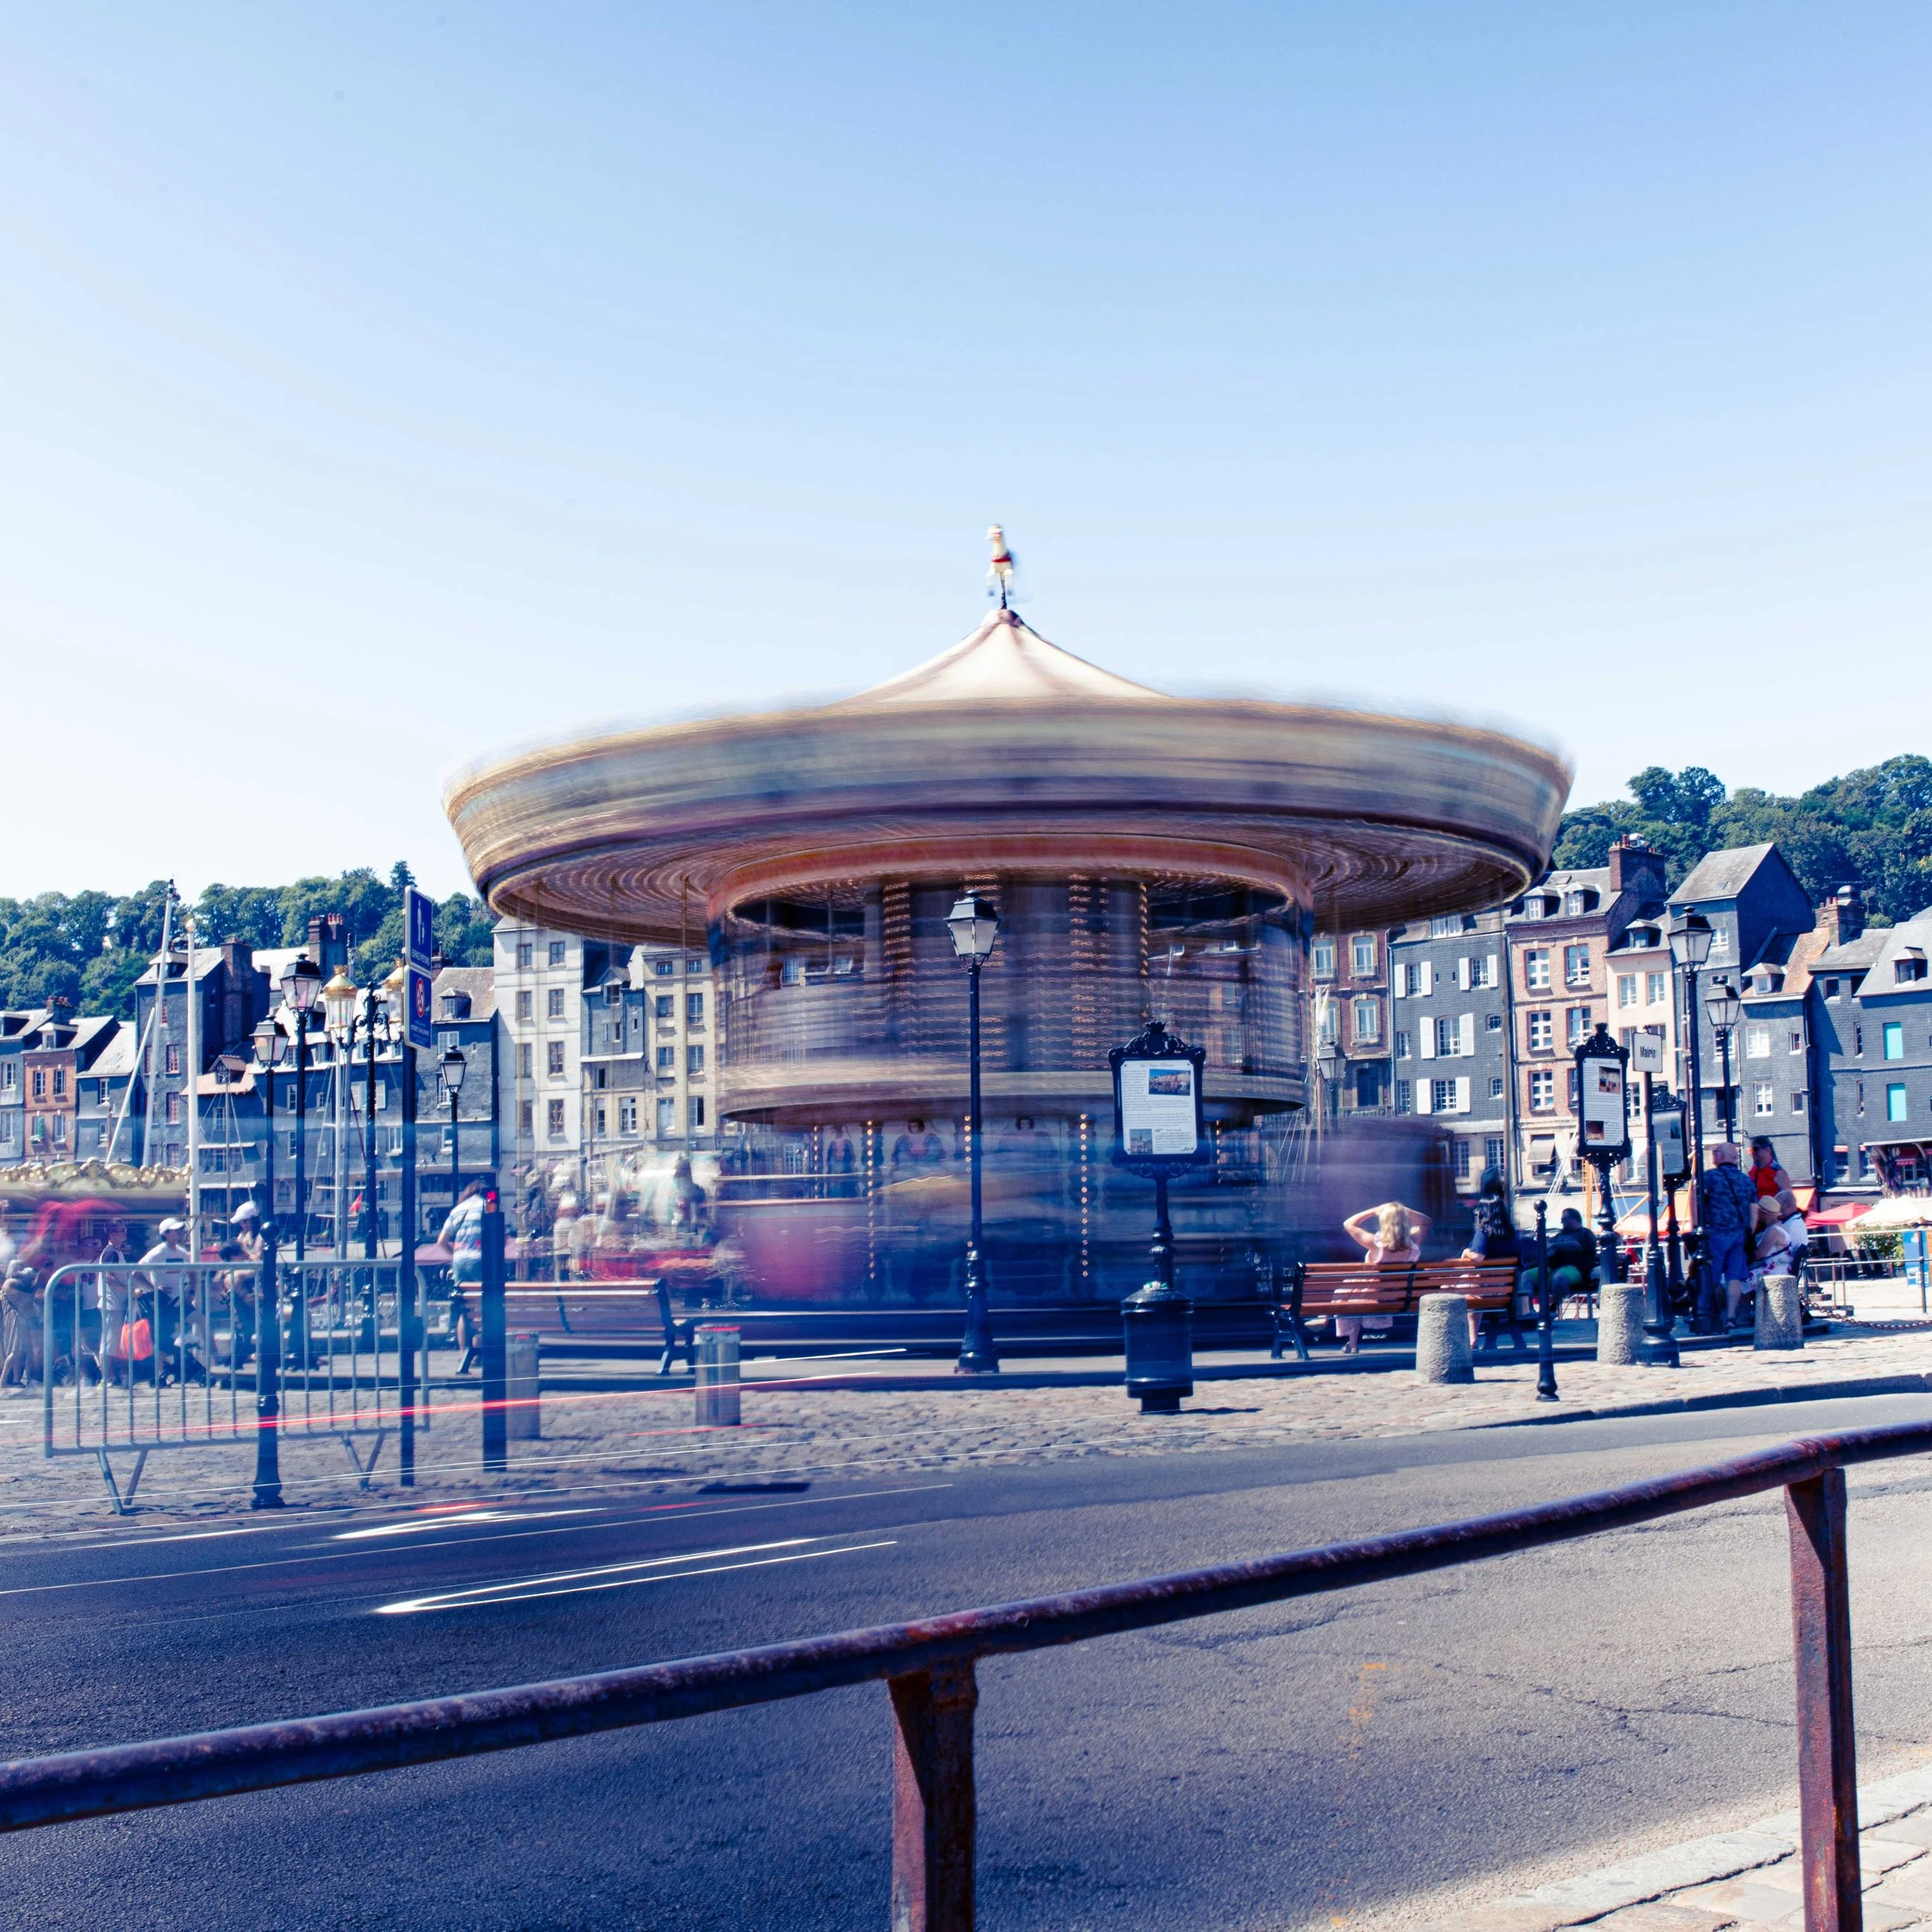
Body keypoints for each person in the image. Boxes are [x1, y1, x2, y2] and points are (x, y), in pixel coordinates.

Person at [1338, 1201, 1431, 1355]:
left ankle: (1351, 1342)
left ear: (1384, 1222)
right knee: (1357, 1291)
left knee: (1353, 1293)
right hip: (1400, 1297)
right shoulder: (1413, 1241)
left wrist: (1373, 1210)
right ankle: (1349, 1342)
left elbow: (1349, 1224)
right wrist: (1406, 1211)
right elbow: (1427, 1222)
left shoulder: (1376, 1244)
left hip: (1375, 1296)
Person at [1461, 1168, 1524, 1351]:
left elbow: (1478, 1257)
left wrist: (1466, 1252)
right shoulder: (1511, 1233)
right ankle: (1486, 1341)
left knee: (1452, 1289)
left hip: (1488, 1290)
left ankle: (1471, 1339)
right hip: (1506, 1289)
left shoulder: (1484, 1230)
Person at [1697, 1143, 1760, 1329]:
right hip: (1739, 1234)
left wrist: (1696, 1225)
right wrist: (1750, 1231)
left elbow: (1696, 1198)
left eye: (1715, 1153)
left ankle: (1710, 1313)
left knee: (1712, 1276)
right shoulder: (1746, 1180)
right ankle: (1731, 1317)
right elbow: (1754, 1210)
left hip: (1715, 1233)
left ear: (1721, 1156)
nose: (1713, 1156)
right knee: (1734, 1277)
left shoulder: (1710, 1177)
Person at [440, 1181, 488, 1373]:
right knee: (483, 1307)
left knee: (465, 1309)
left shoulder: (458, 1210)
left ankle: (463, 1353)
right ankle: (477, 1353)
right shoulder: (487, 1206)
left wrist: (455, 1255)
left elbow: (442, 1241)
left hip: (460, 1261)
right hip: (480, 1259)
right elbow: (500, 1239)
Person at [1544, 1209, 1598, 1315]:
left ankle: (1554, 1305)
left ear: (1573, 1218)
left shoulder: (1585, 1233)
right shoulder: (1560, 1235)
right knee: (1526, 1276)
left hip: (1577, 1269)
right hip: (1553, 1267)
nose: (1562, 1223)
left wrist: (1555, 1246)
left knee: (1559, 1278)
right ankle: (1528, 1311)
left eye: (1564, 1220)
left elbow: (1577, 1246)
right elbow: (1548, 1246)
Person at [0, 1259, 41, 1390]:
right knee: (15, 1351)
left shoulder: (15, 1283)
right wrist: (38, 1277)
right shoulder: (11, 1282)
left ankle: (16, 1380)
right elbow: (30, 1292)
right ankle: (3, 1380)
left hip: (21, 1320)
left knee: (21, 1352)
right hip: (16, 1320)